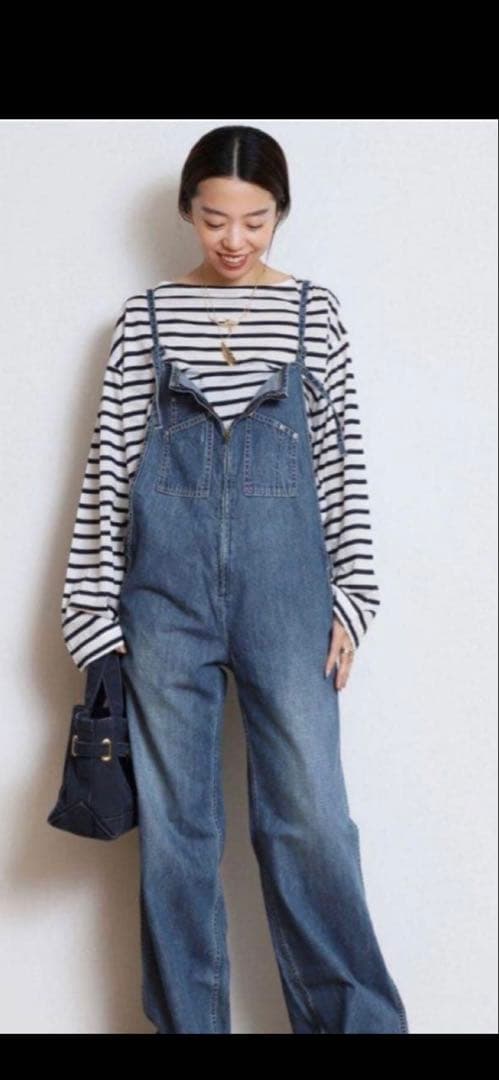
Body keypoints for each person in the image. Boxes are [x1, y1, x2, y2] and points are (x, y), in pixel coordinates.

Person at [60, 124, 409, 1034]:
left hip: (288, 603)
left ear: (279, 214)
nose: (234, 239)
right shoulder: (144, 319)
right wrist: (91, 613)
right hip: (161, 607)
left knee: (310, 823)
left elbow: (341, 463)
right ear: (188, 211)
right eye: (215, 218)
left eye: (255, 221)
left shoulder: (312, 314)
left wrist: (352, 598)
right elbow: (107, 470)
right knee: (178, 837)